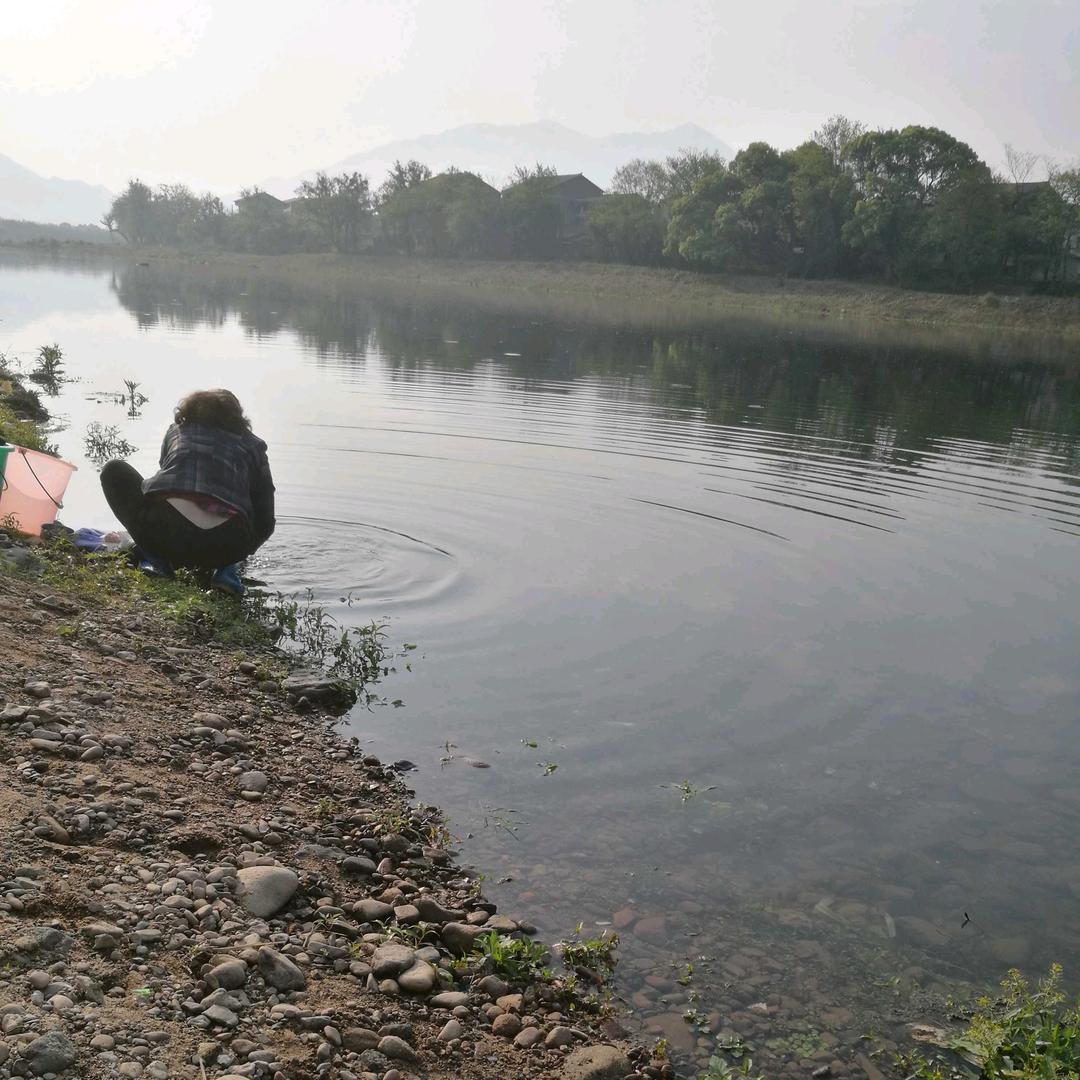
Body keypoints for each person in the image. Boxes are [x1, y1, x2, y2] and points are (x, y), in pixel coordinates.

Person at [100, 389, 275, 596]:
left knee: (113, 469)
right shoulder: (253, 445)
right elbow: (266, 521)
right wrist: (242, 551)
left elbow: (165, 483)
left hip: (165, 534)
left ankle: (158, 563)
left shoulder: (176, 432)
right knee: (250, 510)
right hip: (227, 544)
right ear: (238, 418)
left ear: (187, 412)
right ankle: (226, 572)